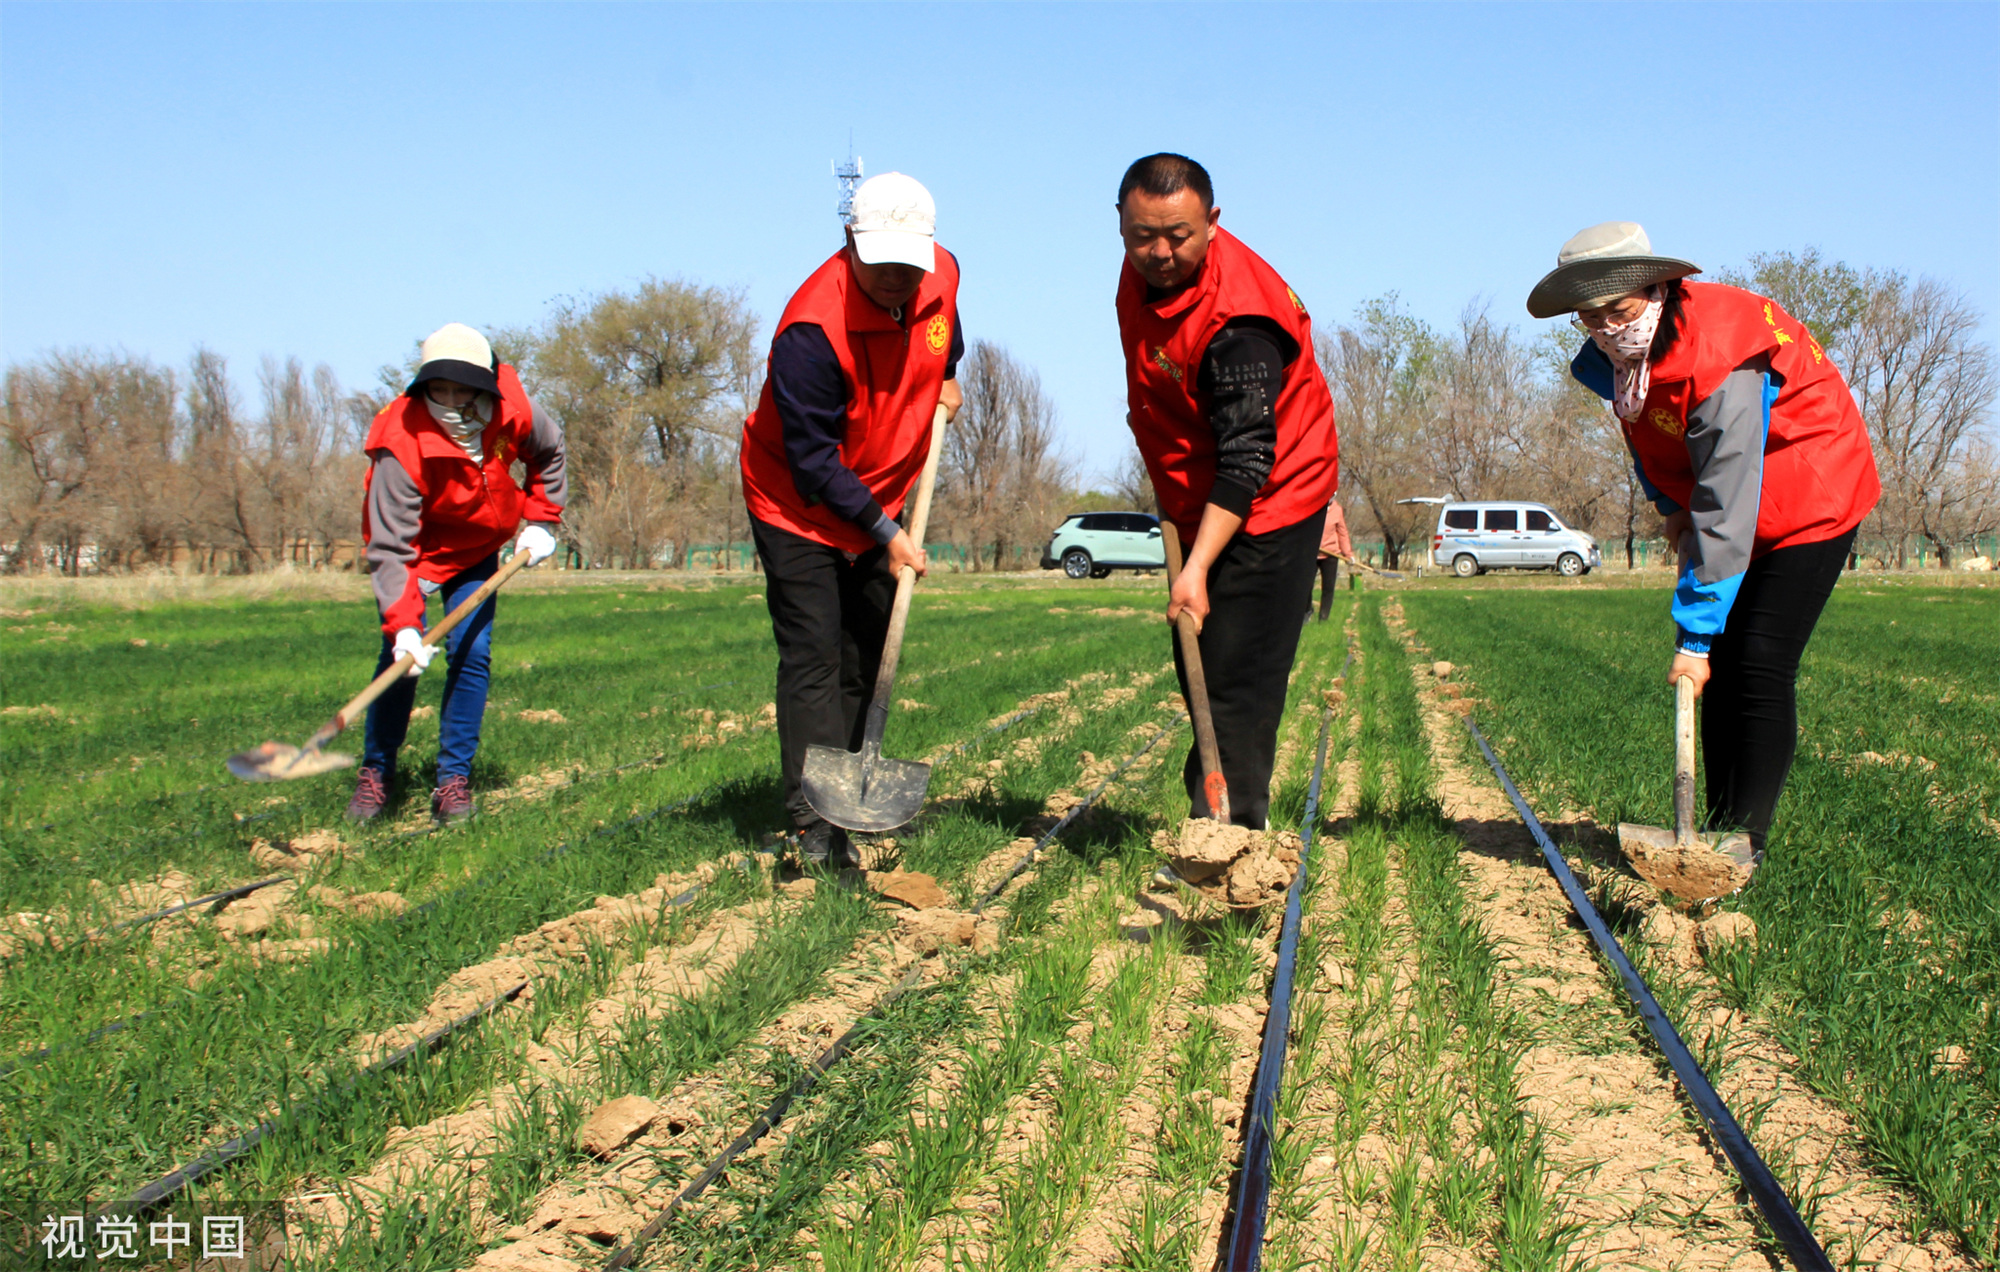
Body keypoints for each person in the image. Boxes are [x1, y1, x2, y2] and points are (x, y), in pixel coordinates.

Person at [1528, 222, 1879, 858]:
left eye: (1620, 309)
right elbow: (1649, 440)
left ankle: (1745, 845)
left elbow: (1727, 492)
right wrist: (1669, 507)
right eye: (1590, 317)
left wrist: (1693, 636)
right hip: (1735, 494)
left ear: (1660, 287)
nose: (1607, 328)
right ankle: (1713, 832)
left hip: (1809, 487)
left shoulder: (1720, 349)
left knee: (1758, 660)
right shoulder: (1623, 363)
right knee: (1721, 668)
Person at [739, 172, 963, 867]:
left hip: (886, 491)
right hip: (796, 504)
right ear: (848, 242)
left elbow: (944, 340)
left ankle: (855, 792)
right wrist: (890, 535)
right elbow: (813, 464)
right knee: (814, 654)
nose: (899, 277)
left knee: (867, 648)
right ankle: (811, 821)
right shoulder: (810, 332)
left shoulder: (942, 275)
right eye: (881, 262)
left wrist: (949, 373)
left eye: (910, 263)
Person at [1115, 153, 1339, 830]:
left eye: (1178, 236)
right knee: (1202, 669)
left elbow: (1248, 460)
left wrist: (1198, 569)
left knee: (1236, 677)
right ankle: (1220, 820)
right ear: (1120, 224)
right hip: (1198, 488)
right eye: (1141, 236)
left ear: (1213, 222)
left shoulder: (1241, 324)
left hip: (1274, 497)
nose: (1158, 253)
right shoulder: (1146, 268)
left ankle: (1232, 837)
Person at [348, 323, 566, 824]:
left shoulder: (514, 409)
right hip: (416, 552)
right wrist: (404, 623)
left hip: (477, 550)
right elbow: (389, 546)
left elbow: (550, 453)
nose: (450, 399)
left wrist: (540, 519)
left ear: (484, 385)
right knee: (401, 658)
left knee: (472, 653)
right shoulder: (398, 440)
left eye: (462, 388)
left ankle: (453, 782)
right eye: (439, 388)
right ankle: (377, 773)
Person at [1314, 493, 1353, 620]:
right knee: (1306, 586)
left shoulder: (1337, 510)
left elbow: (1342, 533)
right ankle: (1307, 612)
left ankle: (1323, 617)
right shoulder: (1313, 507)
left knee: (1328, 588)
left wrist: (1348, 554)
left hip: (1330, 554)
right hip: (1312, 553)